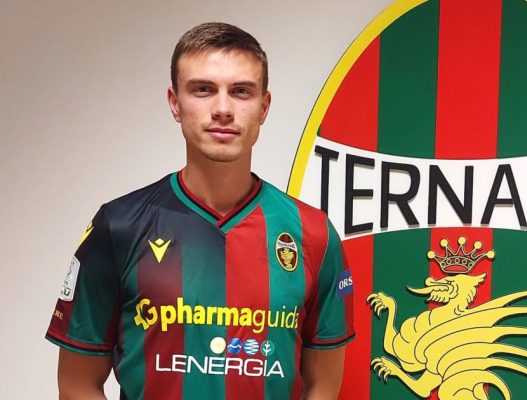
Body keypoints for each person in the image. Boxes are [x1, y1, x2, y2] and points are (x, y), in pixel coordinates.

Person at [46, 22, 355, 400]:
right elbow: (76, 385)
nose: (223, 109)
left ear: (264, 107)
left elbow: (324, 385)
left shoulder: (314, 234)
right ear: (175, 103)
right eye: (203, 90)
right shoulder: (119, 226)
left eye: (241, 91)